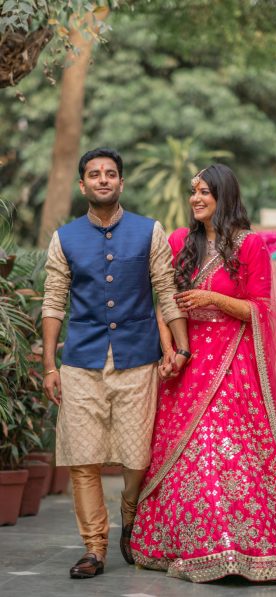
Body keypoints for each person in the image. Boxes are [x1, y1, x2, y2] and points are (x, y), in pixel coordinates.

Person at [129, 164, 276, 581]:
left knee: (221, 450)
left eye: (205, 191)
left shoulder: (250, 245)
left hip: (232, 363)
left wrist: (213, 299)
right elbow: (164, 302)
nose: (196, 198)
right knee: (186, 456)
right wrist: (169, 350)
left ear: (224, 196)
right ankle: (194, 545)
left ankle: (238, 548)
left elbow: (263, 309)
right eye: (193, 191)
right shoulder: (180, 241)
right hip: (186, 363)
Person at [41, 147, 189, 579]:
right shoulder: (65, 237)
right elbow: (54, 301)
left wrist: (181, 347)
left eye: (110, 173)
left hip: (138, 359)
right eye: (94, 174)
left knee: (137, 456)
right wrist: (50, 365)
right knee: (83, 459)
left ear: (121, 182)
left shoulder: (149, 231)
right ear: (82, 185)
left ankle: (129, 506)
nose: (102, 179)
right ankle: (94, 547)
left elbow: (166, 290)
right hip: (81, 361)